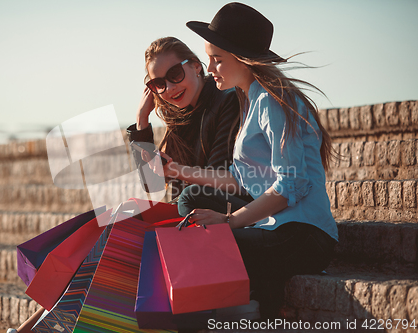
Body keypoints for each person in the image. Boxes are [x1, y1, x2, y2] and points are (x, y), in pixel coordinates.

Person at [148, 2, 338, 318]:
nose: (209, 68)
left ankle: (248, 307)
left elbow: (293, 184)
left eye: (217, 60)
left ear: (244, 60)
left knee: (191, 249)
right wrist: (178, 170)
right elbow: (239, 178)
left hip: (303, 236)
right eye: (209, 59)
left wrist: (231, 221)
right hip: (275, 227)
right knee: (192, 206)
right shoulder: (251, 100)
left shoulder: (272, 100)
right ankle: (248, 301)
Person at [127, 36, 251, 203]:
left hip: (227, 213)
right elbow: (152, 185)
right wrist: (141, 121)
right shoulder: (178, 118)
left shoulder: (227, 100)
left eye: (175, 73)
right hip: (190, 211)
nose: (170, 88)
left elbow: (214, 180)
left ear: (196, 66)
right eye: (159, 84)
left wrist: (175, 171)